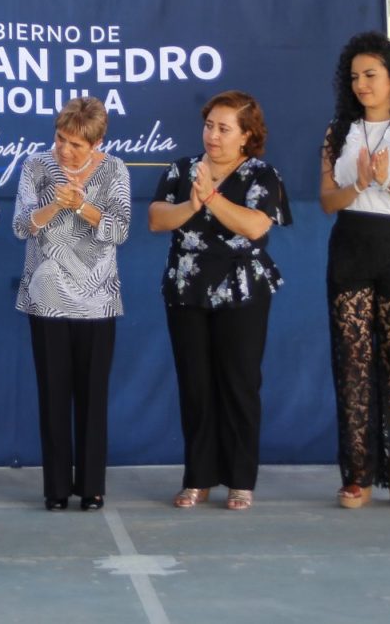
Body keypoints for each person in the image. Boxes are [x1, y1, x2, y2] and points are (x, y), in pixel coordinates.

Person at [148, 90, 291, 511]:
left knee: (240, 384)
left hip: (242, 289)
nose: (213, 135)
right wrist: (190, 205)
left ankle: (240, 480)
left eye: (224, 128)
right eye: (209, 125)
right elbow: (157, 218)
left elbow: (253, 226)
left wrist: (212, 198)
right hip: (186, 288)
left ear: (246, 136)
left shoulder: (263, 175)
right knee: (195, 385)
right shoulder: (182, 169)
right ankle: (198, 477)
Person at [320, 32, 390, 509]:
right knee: (353, 363)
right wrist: (359, 182)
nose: (362, 85)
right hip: (351, 242)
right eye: (354, 77)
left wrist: (386, 179)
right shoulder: (338, 129)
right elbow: (328, 201)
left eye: (370, 75)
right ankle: (357, 475)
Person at [11, 97, 131, 511]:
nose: (65, 149)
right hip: (46, 299)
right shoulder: (36, 166)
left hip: (98, 300)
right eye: (61, 138)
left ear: (97, 143)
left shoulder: (115, 169)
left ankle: (92, 485)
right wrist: (54, 205)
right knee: (53, 395)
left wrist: (81, 206)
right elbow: (21, 225)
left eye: (76, 144)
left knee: (93, 397)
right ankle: (57, 487)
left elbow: (119, 231)